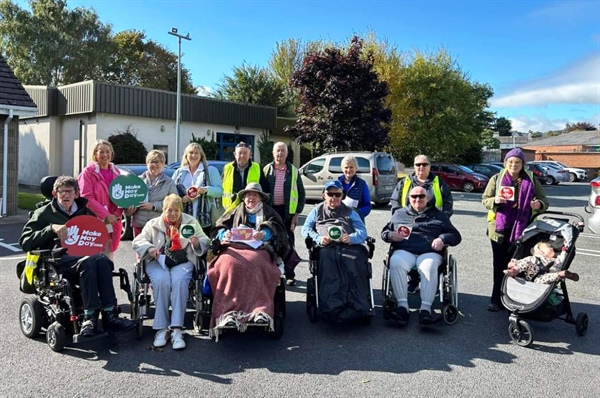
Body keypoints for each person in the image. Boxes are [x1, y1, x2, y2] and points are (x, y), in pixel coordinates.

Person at [19, 176, 136, 337]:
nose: (65, 195)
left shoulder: (85, 211)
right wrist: (50, 228)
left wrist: (104, 231)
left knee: (103, 261)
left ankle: (110, 315)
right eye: (62, 191)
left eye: (69, 191)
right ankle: (90, 317)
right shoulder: (44, 213)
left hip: (85, 257)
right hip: (58, 260)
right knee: (88, 262)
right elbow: (25, 242)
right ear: (55, 193)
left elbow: (97, 233)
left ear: (76, 193)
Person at [209, 183, 289, 335]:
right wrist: (223, 234)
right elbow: (219, 227)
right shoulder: (234, 211)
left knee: (256, 263)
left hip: (260, 248)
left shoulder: (269, 212)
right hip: (234, 247)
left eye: (255, 195)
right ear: (244, 197)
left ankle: (260, 310)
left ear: (260, 198)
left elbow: (278, 228)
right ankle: (228, 312)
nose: (251, 198)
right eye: (248, 195)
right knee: (229, 264)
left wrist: (265, 233)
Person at [132, 194, 209, 350]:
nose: (173, 214)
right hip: (157, 260)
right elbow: (138, 241)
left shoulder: (190, 222)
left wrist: (197, 242)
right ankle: (161, 329)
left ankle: (177, 329)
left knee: (179, 281)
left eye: (176, 210)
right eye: (169, 210)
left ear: (181, 210)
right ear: (163, 210)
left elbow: (205, 240)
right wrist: (150, 248)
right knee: (162, 281)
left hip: (183, 260)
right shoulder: (153, 224)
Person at [381, 186, 462, 326]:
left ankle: (425, 309)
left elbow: (455, 236)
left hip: (429, 252)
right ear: (409, 199)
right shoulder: (400, 214)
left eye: (421, 196)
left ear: (427, 198)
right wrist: (390, 235)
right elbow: (385, 232)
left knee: (428, 265)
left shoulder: (439, 215)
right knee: (395, 261)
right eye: (414, 197)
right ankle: (402, 307)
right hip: (405, 250)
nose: (417, 199)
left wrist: (442, 239)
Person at [482, 148, 549, 312]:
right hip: (499, 230)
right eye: (510, 162)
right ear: (505, 163)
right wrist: (495, 200)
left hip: (523, 231)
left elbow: (544, 201)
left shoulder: (531, 180)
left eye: (517, 162)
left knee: (518, 266)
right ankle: (496, 299)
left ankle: (515, 300)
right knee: (499, 266)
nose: (514, 165)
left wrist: (538, 205)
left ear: (522, 165)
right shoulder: (497, 179)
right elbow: (485, 200)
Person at [301, 180, 371, 323]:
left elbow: (362, 231)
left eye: (337, 194)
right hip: (326, 247)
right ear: (324, 195)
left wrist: (351, 238)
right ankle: (332, 306)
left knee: (354, 263)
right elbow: (305, 229)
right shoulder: (317, 210)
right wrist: (319, 238)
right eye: (330, 194)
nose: (333, 197)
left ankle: (358, 306)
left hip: (349, 246)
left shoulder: (351, 212)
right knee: (329, 265)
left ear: (342, 196)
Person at [390, 154, 454, 295]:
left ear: (429, 166)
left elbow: (448, 203)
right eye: (418, 164)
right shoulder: (405, 182)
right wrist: (399, 218)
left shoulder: (438, 182)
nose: (421, 167)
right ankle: (413, 281)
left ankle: (433, 283)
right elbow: (395, 201)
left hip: (433, 224)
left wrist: (441, 220)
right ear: (413, 166)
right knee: (405, 250)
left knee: (430, 254)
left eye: (424, 164)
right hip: (407, 223)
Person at [262, 142, 306, 286]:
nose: (280, 153)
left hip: (287, 213)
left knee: (288, 244)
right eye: (277, 151)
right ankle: (272, 273)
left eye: (282, 151)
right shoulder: (266, 170)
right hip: (271, 212)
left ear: (287, 154)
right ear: (273, 153)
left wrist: (296, 214)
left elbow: (301, 193)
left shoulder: (293, 171)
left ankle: (290, 274)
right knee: (269, 242)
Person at [77, 139, 122, 261]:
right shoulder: (88, 172)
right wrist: (105, 215)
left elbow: (122, 197)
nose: (105, 155)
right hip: (95, 219)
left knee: (109, 255)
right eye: (101, 152)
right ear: (95, 154)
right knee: (93, 256)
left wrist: (116, 214)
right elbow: (87, 197)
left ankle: (107, 278)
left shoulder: (117, 172)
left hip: (113, 221)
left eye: (107, 151)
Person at [171, 143, 223, 236]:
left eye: (196, 153)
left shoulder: (210, 170)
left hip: (205, 220)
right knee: (185, 245)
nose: (193, 155)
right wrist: (180, 199)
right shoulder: (179, 172)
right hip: (183, 218)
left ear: (201, 156)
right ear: (186, 155)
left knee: (203, 246)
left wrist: (206, 190)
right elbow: (171, 193)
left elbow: (220, 191)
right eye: (191, 153)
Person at [126, 150, 178, 237]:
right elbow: (127, 203)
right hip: (140, 225)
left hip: (159, 225)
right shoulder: (137, 181)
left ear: (163, 164)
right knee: (140, 250)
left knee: (157, 250)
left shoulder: (169, 182)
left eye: (159, 162)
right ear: (147, 163)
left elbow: (174, 204)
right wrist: (129, 211)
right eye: (152, 161)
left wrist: (154, 206)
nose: (155, 165)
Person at [221, 141, 270, 208]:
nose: (242, 155)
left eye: (245, 153)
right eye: (240, 153)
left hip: (252, 208)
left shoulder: (257, 167)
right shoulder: (227, 168)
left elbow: (265, 188)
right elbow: (220, 189)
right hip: (231, 209)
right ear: (235, 154)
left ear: (250, 155)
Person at [504, 241, 579, 284]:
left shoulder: (553, 260)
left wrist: (564, 251)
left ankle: (562, 274)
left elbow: (561, 260)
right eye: (549, 248)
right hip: (532, 273)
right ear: (541, 252)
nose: (552, 248)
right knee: (528, 260)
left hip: (543, 276)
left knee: (550, 276)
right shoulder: (536, 258)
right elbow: (525, 261)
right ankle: (515, 270)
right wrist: (515, 262)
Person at [337, 155, 371, 220]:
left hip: (356, 220)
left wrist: (357, 213)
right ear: (342, 169)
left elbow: (367, 205)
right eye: (346, 167)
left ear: (356, 168)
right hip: (339, 219)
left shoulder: (362, 184)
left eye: (351, 167)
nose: (349, 170)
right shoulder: (337, 183)